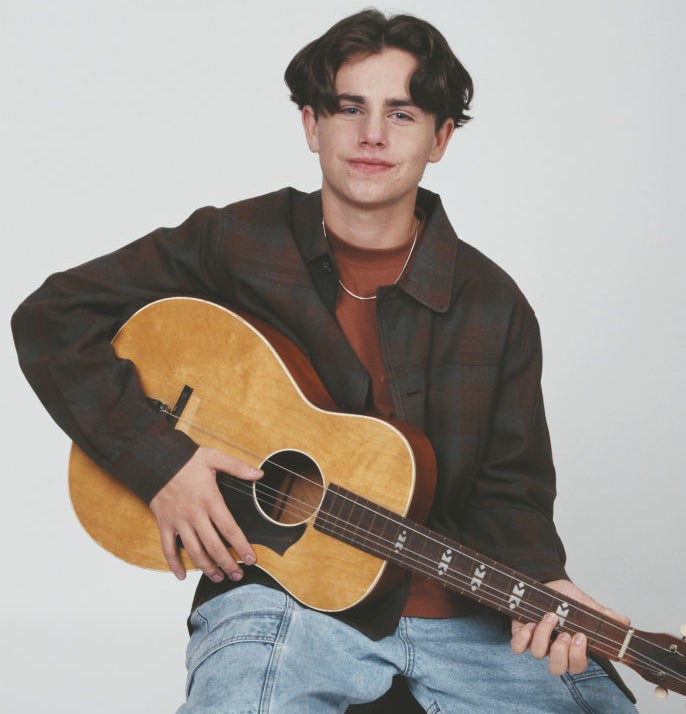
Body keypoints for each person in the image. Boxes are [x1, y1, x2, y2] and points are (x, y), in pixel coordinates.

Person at [12, 9, 638, 713]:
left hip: (464, 619)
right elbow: (52, 317)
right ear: (312, 125)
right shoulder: (237, 242)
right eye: (350, 108)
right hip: (278, 603)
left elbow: (510, 493)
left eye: (402, 114)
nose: (372, 135)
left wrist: (539, 579)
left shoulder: (494, 304)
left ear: (442, 137)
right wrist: (163, 465)